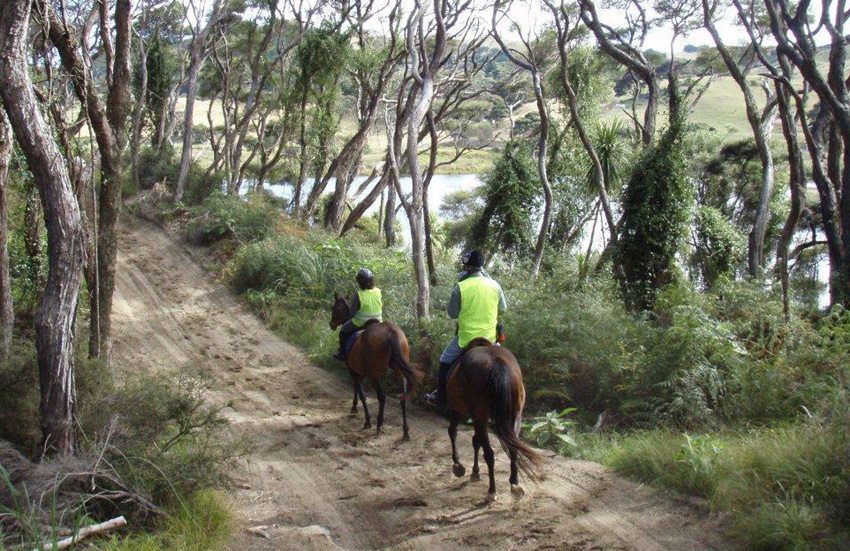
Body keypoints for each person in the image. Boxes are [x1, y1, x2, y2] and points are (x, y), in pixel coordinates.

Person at [426, 250, 507, 407]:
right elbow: (503, 308)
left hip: (466, 338)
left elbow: (452, 313)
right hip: (490, 338)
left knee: (445, 359)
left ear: (468, 268)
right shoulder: (495, 285)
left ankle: (440, 396)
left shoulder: (461, 286)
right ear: (482, 268)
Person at [333, 268, 383, 362]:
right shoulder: (378, 291)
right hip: (378, 322)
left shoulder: (359, 294)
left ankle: (342, 354)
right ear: (372, 280)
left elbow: (352, 314)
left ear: (359, 282)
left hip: (361, 323)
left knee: (343, 331)